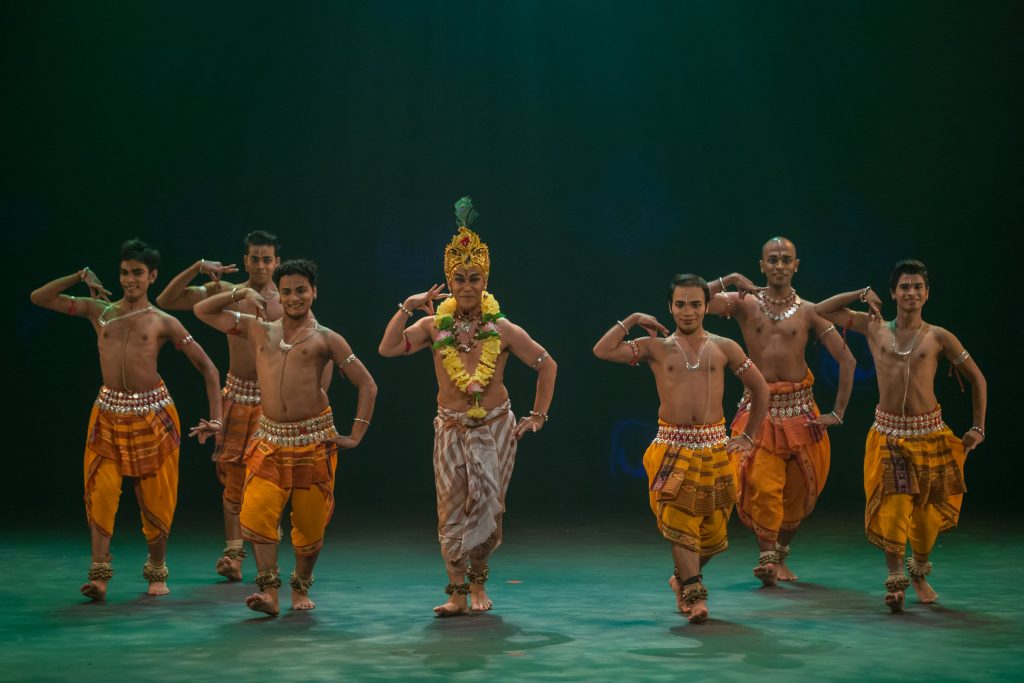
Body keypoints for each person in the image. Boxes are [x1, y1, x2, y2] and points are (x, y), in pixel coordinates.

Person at [378, 197, 557, 617]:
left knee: (487, 509)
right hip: (450, 428)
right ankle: (456, 593)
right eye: (458, 279)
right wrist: (407, 305)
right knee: (451, 508)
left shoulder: (502, 329)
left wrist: (538, 415)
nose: (467, 287)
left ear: (486, 280)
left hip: (495, 428)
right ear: (448, 282)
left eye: (475, 278)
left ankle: (478, 585)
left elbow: (547, 364)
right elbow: (387, 348)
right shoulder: (431, 326)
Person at [30, 238, 222, 600]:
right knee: (100, 493)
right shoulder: (99, 311)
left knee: (157, 496)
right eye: (124, 272)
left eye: (137, 273)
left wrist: (217, 420)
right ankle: (99, 576)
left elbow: (207, 368)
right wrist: (77, 275)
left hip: (154, 413)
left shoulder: (164, 322)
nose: (129, 279)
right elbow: (39, 298)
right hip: (107, 413)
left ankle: (156, 571)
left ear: (152, 276)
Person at [194, 258, 377, 615]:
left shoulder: (327, 339)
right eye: (287, 291)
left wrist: (355, 435)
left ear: (314, 292)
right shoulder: (258, 330)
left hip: (313, 440)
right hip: (269, 439)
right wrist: (240, 291)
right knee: (258, 510)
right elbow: (202, 310)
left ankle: (300, 587)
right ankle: (268, 592)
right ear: (279, 293)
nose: (294, 298)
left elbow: (368, 385)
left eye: (301, 290)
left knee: (309, 525)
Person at [594, 274, 769, 623]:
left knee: (715, 535)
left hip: (715, 449)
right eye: (680, 305)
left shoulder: (725, 347)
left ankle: (681, 577)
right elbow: (602, 350)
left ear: (706, 307)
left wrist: (748, 436)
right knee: (681, 523)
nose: (687, 312)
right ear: (669, 308)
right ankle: (693, 593)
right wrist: (630, 320)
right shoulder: (655, 347)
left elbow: (761, 389)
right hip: (672, 449)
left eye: (695, 304)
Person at [815, 259, 986, 613]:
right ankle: (895, 582)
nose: (911, 293)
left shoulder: (939, 337)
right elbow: (821, 309)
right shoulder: (874, 327)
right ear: (893, 292)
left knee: (924, 519)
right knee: (894, 510)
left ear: (927, 294)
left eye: (918, 287)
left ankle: (920, 572)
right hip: (889, 436)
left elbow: (978, 380)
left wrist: (977, 427)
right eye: (904, 287)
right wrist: (862, 293)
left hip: (931, 437)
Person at [704, 237, 856, 585]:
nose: (779, 265)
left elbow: (847, 359)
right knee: (761, 483)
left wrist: (838, 411)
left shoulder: (810, 311)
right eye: (772, 260)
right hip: (758, 409)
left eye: (786, 259)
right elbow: (696, 301)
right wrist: (728, 279)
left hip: (801, 410)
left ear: (796, 265)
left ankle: (779, 554)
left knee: (799, 489)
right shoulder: (743, 303)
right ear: (761, 266)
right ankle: (767, 557)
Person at [156, 230, 284, 581]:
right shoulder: (225, 293)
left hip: (274, 398)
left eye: (266, 258)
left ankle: (264, 553)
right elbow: (167, 299)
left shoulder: (288, 298)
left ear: (277, 262)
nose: (260, 264)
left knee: (268, 480)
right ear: (245, 261)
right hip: (237, 396)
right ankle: (233, 554)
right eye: (254, 258)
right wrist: (198, 267)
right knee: (232, 476)